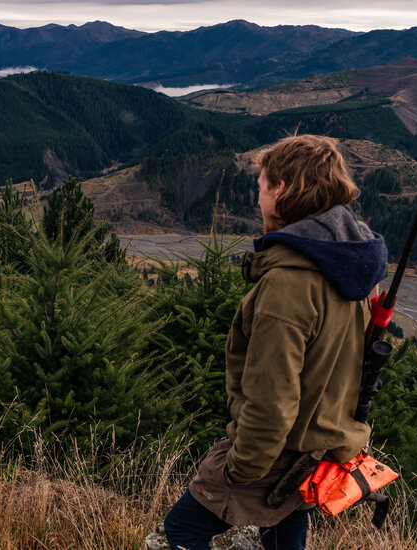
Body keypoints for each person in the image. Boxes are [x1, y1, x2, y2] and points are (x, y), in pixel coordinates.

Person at [163, 134, 388, 550]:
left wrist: (240, 468)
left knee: (179, 533)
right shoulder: (354, 266)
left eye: (262, 186)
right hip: (321, 447)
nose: (258, 198)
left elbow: (272, 397)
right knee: (284, 536)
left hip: (275, 454)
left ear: (281, 189)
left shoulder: (288, 285)